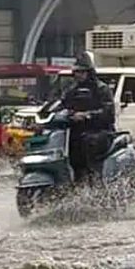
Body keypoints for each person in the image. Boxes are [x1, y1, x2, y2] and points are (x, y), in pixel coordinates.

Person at [47, 52, 116, 182]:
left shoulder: (102, 89)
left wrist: (87, 115)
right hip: (76, 130)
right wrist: (48, 114)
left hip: (100, 131)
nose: (78, 75)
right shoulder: (72, 90)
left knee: (88, 143)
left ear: (89, 72)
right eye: (77, 72)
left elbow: (108, 113)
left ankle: (96, 181)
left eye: (82, 72)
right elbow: (61, 104)